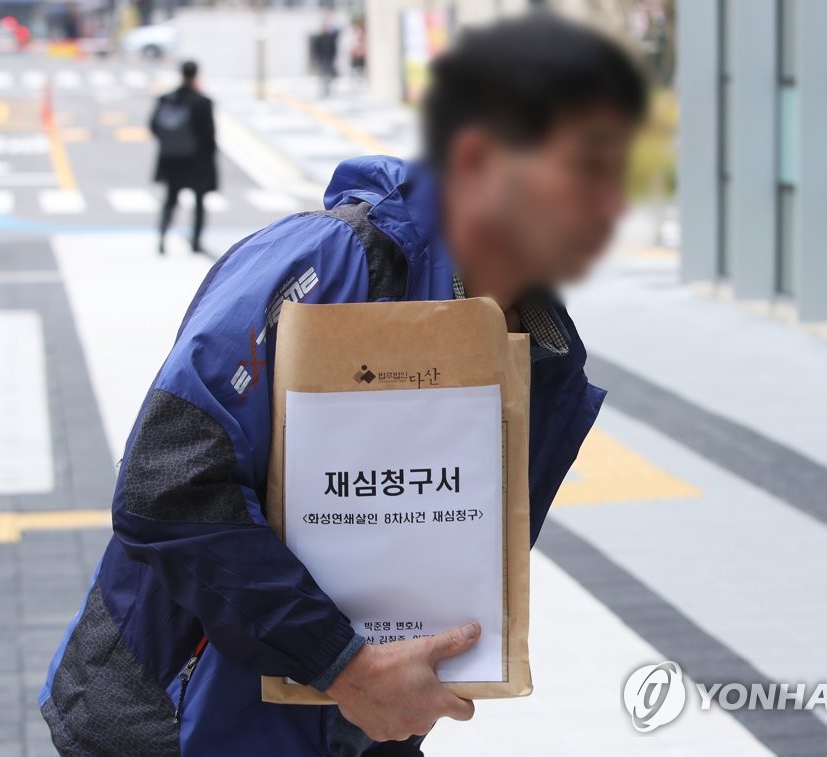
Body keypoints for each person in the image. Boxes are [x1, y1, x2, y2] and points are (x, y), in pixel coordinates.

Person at [40, 13, 645, 757]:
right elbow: (166, 483)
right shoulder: (330, 263)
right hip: (174, 722)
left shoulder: (542, 355)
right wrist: (343, 662)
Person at [150, 60, 217, 255]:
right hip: (197, 162)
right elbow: (209, 136)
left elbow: (154, 126)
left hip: (172, 160)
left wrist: (171, 145)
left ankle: (162, 238)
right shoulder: (202, 102)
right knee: (199, 202)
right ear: (196, 74)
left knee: (170, 201)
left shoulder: (166, 99)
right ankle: (195, 242)